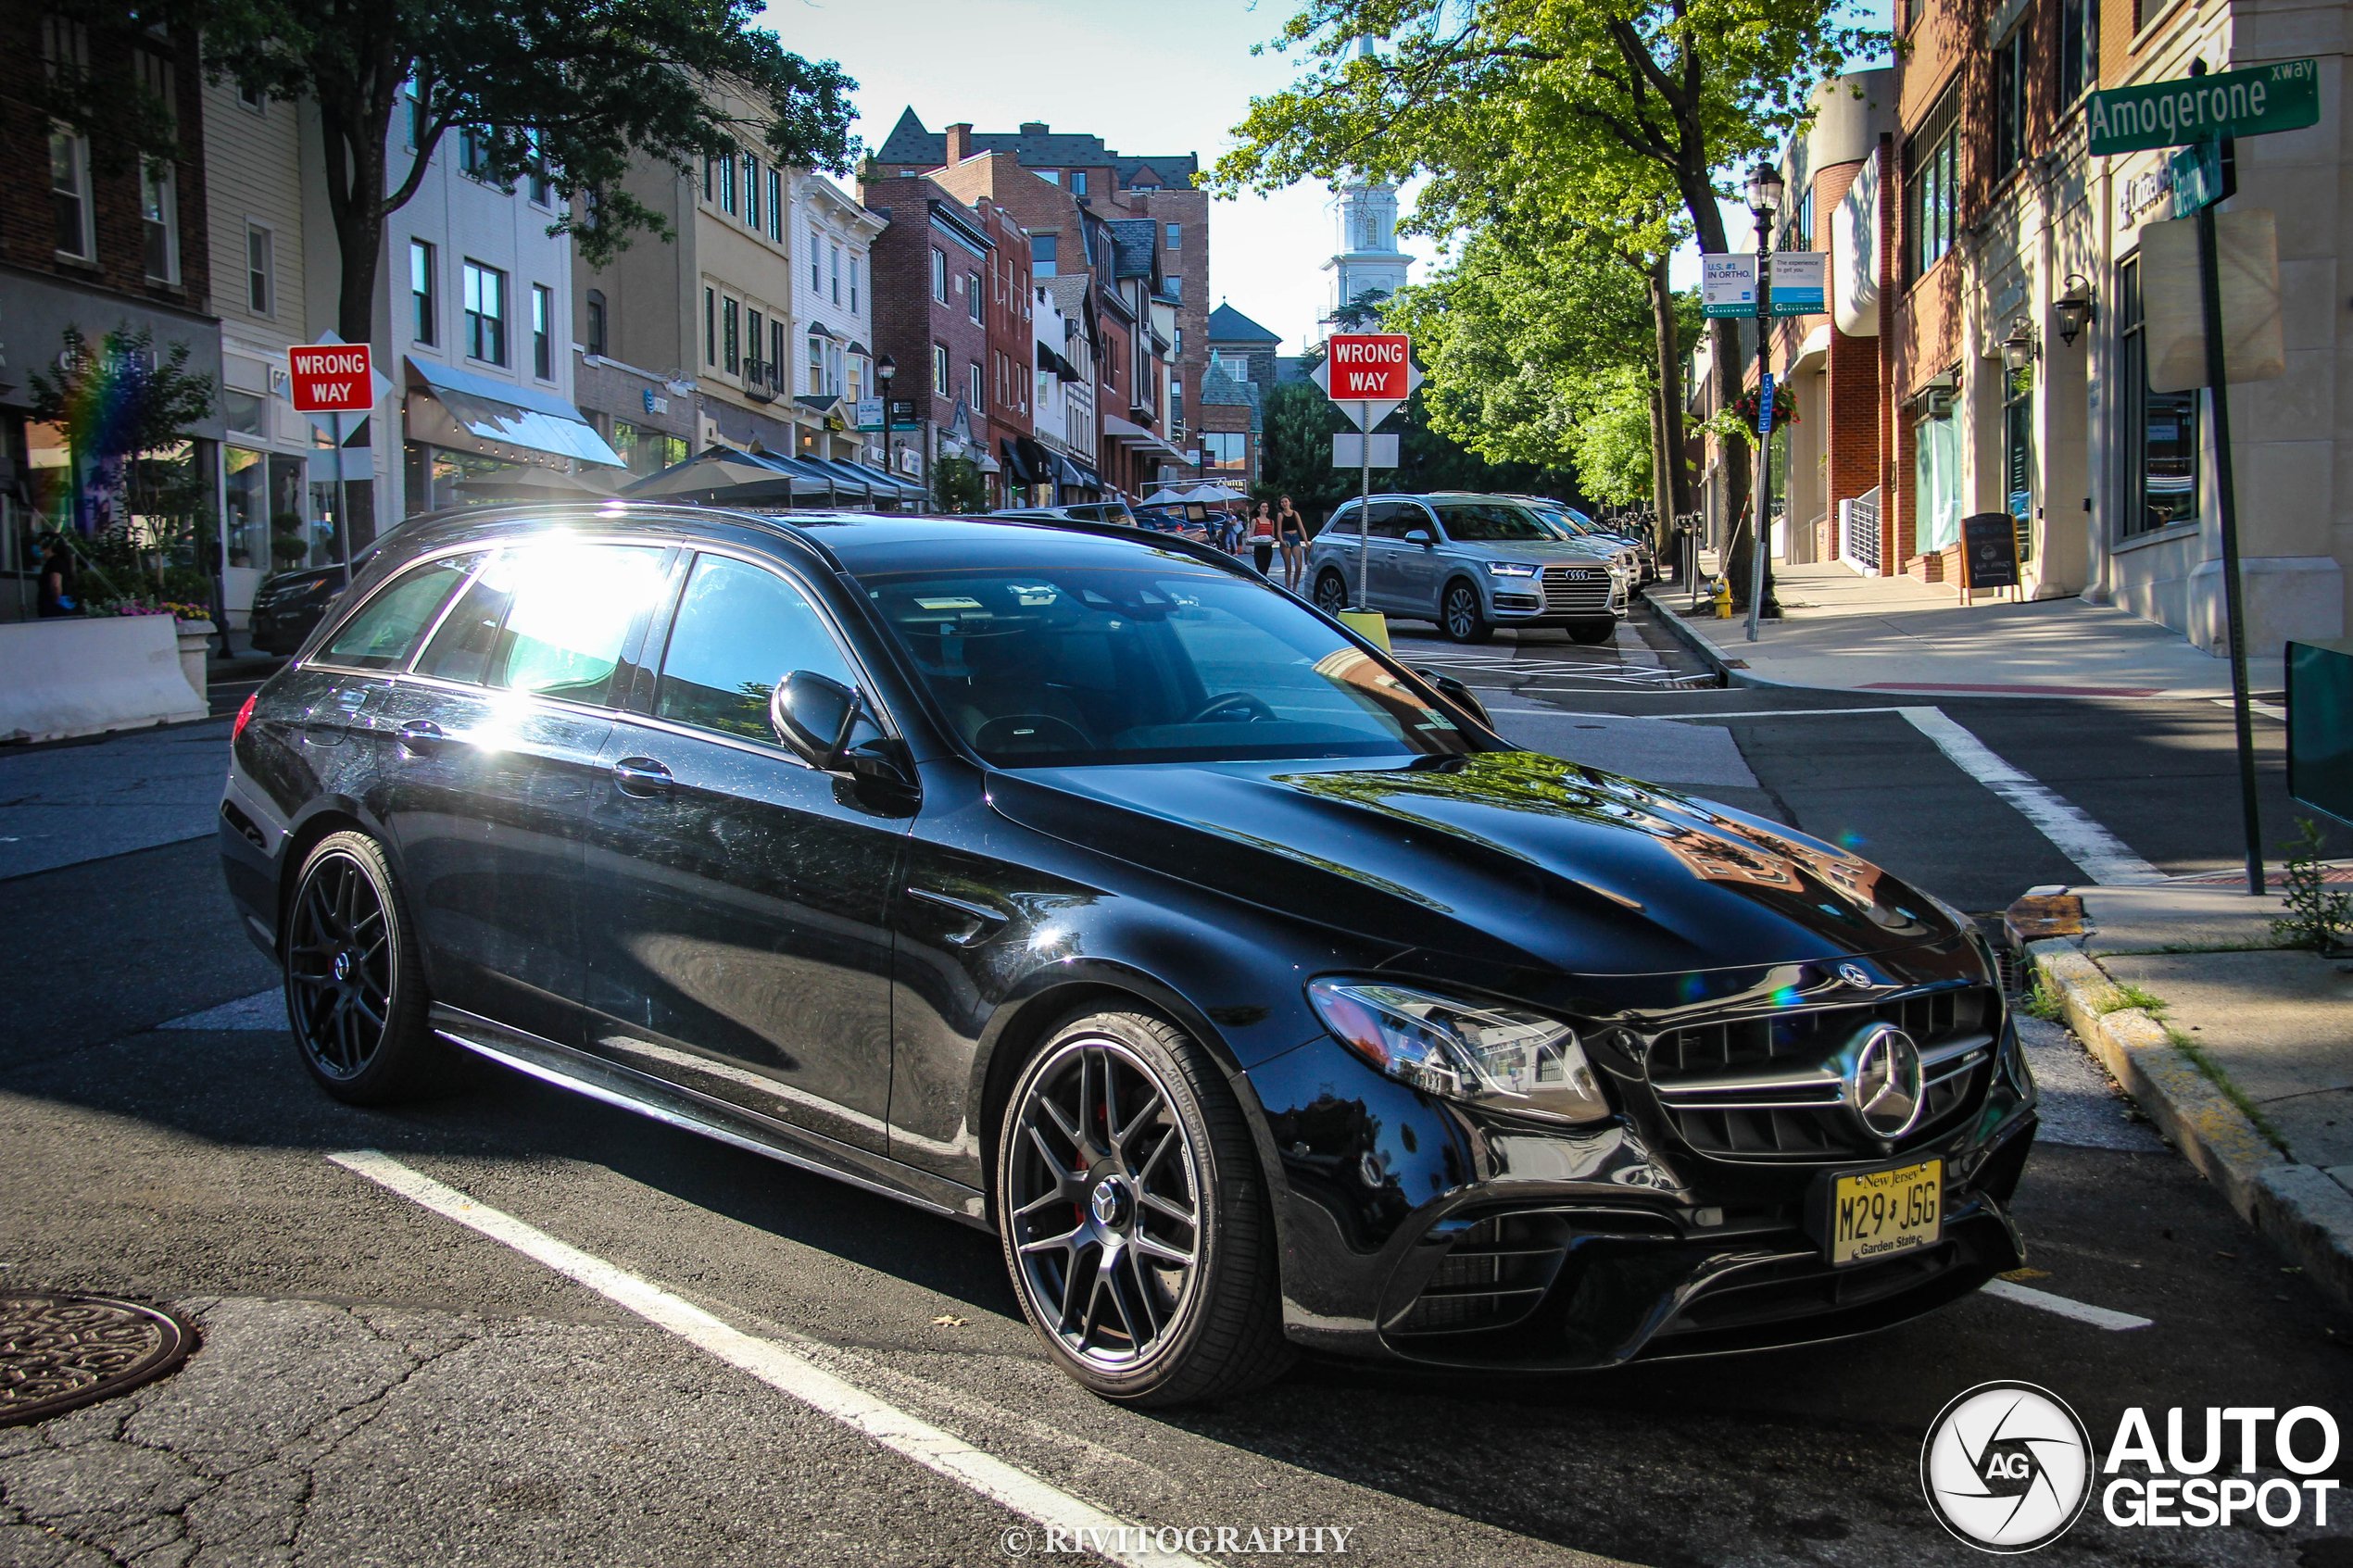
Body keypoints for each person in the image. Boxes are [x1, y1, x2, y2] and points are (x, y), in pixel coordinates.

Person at [1276, 495, 1309, 591]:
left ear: (1290, 502)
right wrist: (1282, 541)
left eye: (1286, 501)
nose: (1284, 504)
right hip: (1285, 537)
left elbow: (1301, 528)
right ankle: (1288, 589)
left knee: (1298, 565)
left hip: (1295, 538)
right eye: (1282, 502)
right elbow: (1278, 531)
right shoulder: (1280, 515)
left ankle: (1294, 588)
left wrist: (1306, 542)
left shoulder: (1295, 513)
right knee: (1288, 567)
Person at [36, 539, 76, 618]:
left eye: (40, 547)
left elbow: (56, 584)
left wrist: (56, 600)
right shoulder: (61, 561)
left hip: (52, 609)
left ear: (48, 548)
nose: (38, 550)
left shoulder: (54, 562)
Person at [1249, 502, 1276, 576]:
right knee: (1261, 571)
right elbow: (1251, 536)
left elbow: (1272, 536)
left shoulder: (1271, 521)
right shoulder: (1255, 521)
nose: (1265, 508)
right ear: (1258, 509)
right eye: (1263, 507)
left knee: (1266, 571)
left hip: (1268, 548)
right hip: (1259, 548)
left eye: (1266, 506)